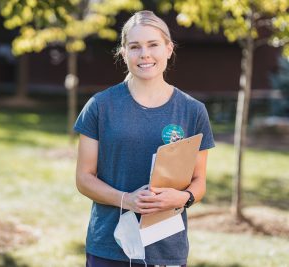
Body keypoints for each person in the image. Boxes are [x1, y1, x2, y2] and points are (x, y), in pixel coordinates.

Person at [74, 10, 215, 267]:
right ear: (123, 52)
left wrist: (183, 198)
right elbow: (84, 179)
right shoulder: (100, 106)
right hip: (109, 246)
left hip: (167, 250)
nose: (144, 54)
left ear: (169, 49)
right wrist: (126, 199)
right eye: (135, 46)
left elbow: (199, 181)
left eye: (153, 45)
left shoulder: (192, 111)